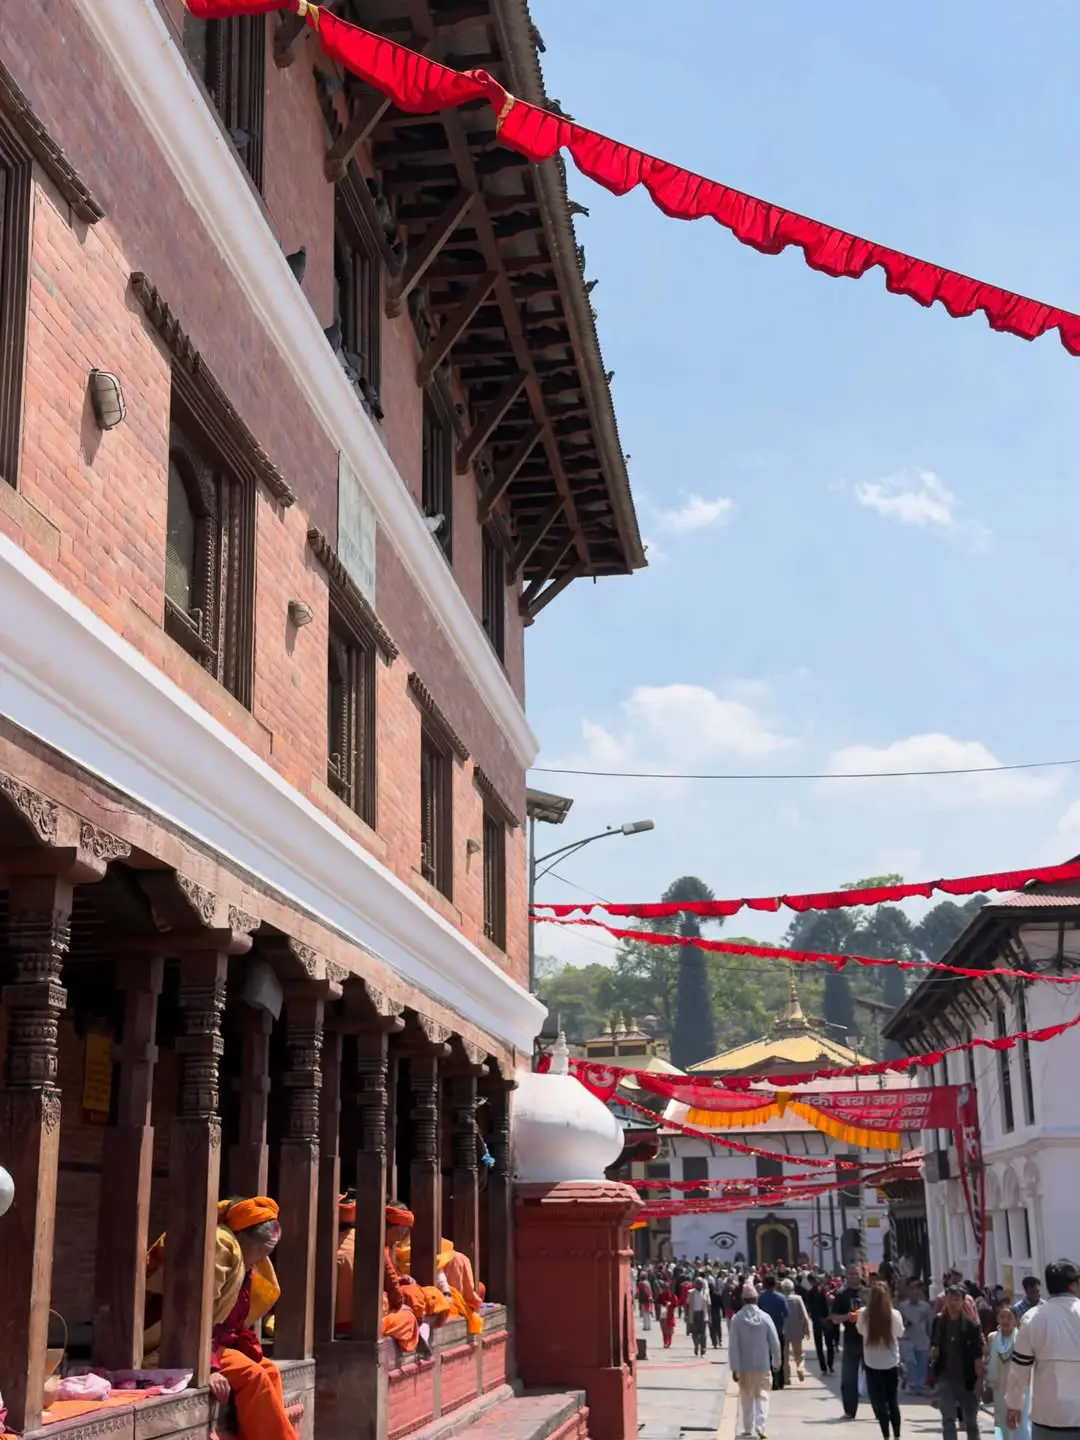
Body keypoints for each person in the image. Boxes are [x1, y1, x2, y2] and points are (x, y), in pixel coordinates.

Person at [145, 1196, 296, 1440]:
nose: (262, 1260)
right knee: (253, 1376)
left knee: (270, 1370)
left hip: (217, 1342)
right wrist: (208, 1367)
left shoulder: (242, 1261)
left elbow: (232, 1320)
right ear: (244, 1239)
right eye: (263, 1251)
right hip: (184, 1341)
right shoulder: (220, 1246)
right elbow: (195, 1314)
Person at [1005, 1258, 1080, 1440]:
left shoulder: (1033, 1318)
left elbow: (1019, 1369)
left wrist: (1014, 1404)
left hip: (1048, 1418)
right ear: (1072, 1285)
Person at [928, 1285, 985, 1440]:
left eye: (957, 1299)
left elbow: (977, 1356)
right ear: (945, 1299)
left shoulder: (971, 1326)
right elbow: (933, 1345)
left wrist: (980, 1381)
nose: (953, 1303)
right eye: (950, 1298)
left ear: (962, 1301)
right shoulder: (938, 1322)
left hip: (967, 1379)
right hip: (945, 1378)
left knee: (971, 1421)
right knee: (948, 1419)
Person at [729, 1284, 781, 1440]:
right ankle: (761, 1426)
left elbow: (734, 1347)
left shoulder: (736, 1319)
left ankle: (747, 1428)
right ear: (756, 1299)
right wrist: (777, 1362)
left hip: (744, 1366)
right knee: (762, 1395)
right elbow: (775, 1342)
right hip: (763, 1364)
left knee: (746, 1396)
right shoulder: (765, 1318)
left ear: (742, 1300)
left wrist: (735, 1368)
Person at [857, 1283, 906, 1440]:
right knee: (893, 1401)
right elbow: (900, 1333)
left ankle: (885, 1436)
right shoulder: (894, 1314)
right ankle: (897, 1435)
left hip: (872, 1363)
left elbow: (860, 1331)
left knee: (880, 1403)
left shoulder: (863, 1314)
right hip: (891, 1363)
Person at [831, 1263, 871, 1419]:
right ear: (846, 1276)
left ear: (861, 1275)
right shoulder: (842, 1295)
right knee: (849, 1378)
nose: (854, 1277)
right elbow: (834, 1318)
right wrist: (848, 1317)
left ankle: (879, 1408)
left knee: (874, 1377)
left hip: (869, 1340)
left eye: (856, 1274)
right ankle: (849, 1410)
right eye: (851, 1274)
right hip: (851, 1340)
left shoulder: (870, 1293)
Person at [986, 1305, 1030, 1440]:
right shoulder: (992, 1338)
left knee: (1020, 1424)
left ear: (1016, 1320)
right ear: (997, 1319)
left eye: (1009, 1317)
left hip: (1019, 1386)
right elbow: (988, 1358)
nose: (1005, 1320)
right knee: (1000, 1422)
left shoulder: (1023, 1338)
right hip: (1000, 1386)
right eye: (1002, 1317)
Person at [898, 1281, 933, 1396]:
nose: (914, 1292)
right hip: (907, 1338)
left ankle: (920, 1385)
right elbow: (899, 1322)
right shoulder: (903, 1306)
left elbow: (930, 1323)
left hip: (922, 1338)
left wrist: (932, 1338)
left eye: (917, 1290)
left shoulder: (925, 1307)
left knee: (922, 1363)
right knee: (910, 1362)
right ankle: (912, 1384)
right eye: (912, 1290)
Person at [757, 1275, 789, 1390]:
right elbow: (786, 1314)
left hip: (764, 1332)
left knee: (767, 1357)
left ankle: (771, 1379)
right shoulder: (781, 1298)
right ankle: (780, 1381)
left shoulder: (761, 1298)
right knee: (780, 1355)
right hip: (779, 1331)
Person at [780, 1278, 810, 1382]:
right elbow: (805, 1316)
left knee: (785, 1356)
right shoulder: (798, 1298)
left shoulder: (780, 1298)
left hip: (783, 1331)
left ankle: (786, 1377)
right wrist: (807, 1330)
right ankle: (800, 1367)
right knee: (799, 1353)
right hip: (796, 1330)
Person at [806, 1276, 835, 1374]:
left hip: (827, 1321)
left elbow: (830, 1305)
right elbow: (810, 1308)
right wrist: (818, 1318)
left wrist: (828, 1318)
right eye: (812, 1281)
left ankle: (830, 1365)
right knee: (819, 1345)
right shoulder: (810, 1293)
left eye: (815, 1280)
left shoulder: (826, 1291)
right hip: (817, 1321)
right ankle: (823, 1367)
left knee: (830, 1344)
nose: (814, 1283)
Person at [687, 1276, 709, 1357]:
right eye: (697, 1283)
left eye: (700, 1283)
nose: (698, 1285)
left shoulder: (705, 1293)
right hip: (694, 1314)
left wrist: (709, 1317)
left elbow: (708, 1305)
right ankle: (696, 1345)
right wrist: (686, 1315)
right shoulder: (691, 1292)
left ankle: (703, 1348)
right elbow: (687, 1304)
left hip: (703, 1314)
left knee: (703, 1333)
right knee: (694, 1333)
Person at [658, 1278, 677, 1349]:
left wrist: (670, 1305)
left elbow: (675, 1304)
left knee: (669, 1330)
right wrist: (664, 1304)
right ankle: (665, 1342)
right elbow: (658, 1303)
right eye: (664, 1288)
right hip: (663, 1315)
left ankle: (669, 1342)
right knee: (664, 1330)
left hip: (670, 1315)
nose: (665, 1289)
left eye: (667, 1288)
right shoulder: (660, 1295)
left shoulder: (672, 1295)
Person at [708, 1271, 724, 1350]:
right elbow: (722, 1305)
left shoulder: (708, 1296)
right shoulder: (717, 1295)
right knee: (717, 1327)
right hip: (717, 1312)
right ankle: (719, 1340)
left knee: (712, 1328)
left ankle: (715, 1342)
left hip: (711, 1313)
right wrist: (723, 1312)